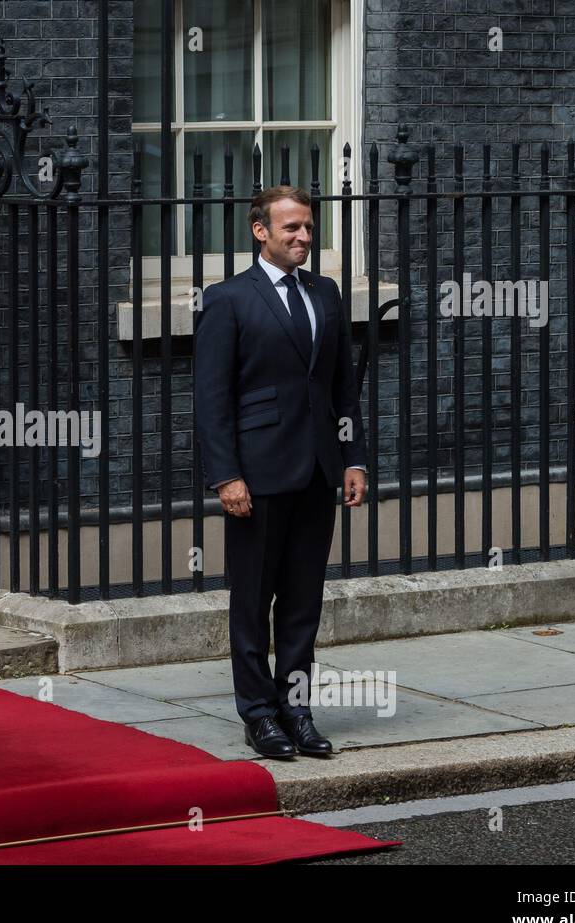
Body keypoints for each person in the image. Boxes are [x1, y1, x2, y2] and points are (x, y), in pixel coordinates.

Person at [193, 185, 368, 760]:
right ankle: (259, 715)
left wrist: (354, 459)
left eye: (309, 228)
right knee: (252, 601)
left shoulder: (327, 293)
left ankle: (297, 710)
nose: (303, 237)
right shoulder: (228, 299)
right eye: (291, 228)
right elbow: (211, 399)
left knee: (302, 602)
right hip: (258, 476)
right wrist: (226, 476)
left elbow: (343, 386)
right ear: (260, 231)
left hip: (318, 471)